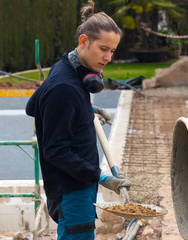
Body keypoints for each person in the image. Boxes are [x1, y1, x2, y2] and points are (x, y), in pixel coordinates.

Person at [25, 1, 131, 239]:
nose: (109, 57)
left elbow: (32, 106)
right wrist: (102, 177)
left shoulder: (66, 69)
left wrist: (86, 111)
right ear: (83, 41)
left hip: (76, 184)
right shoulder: (66, 87)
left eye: (112, 51)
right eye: (103, 49)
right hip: (73, 189)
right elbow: (55, 150)